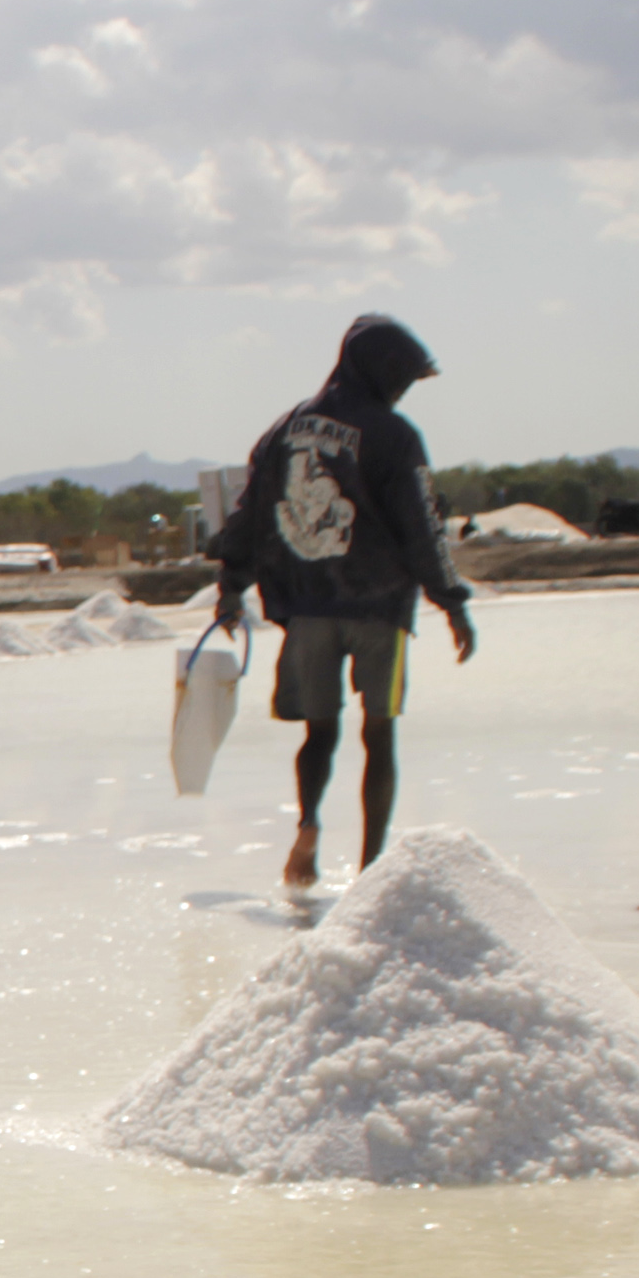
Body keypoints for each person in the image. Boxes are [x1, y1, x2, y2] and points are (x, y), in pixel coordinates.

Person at [206, 313, 479, 888]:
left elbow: (252, 512)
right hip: (381, 611)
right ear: (381, 371)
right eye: (402, 378)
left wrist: (231, 586)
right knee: (379, 734)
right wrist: (451, 601)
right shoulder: (395, 435)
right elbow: (421, 526)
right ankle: (372, 868)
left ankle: (307, 830)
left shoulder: (285, 428)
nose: (404, 390)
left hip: (308, 608)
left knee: (320, 733)